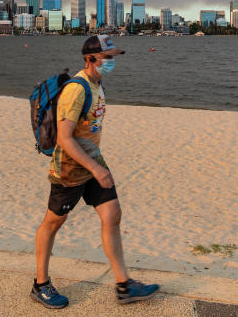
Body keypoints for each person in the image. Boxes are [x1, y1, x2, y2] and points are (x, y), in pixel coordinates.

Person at [31, 34, 160, 309]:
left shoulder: (98, 84)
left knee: (112, 214)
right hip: (69, 168)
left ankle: (124, 285)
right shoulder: (77, 89)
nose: (112, 62)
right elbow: (65, 138)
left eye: (113, 56)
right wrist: (95, 169)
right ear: (90, 59)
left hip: (93, 162)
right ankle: (40, 284)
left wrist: (96, 167)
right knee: (53, 223)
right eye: (107, 57)